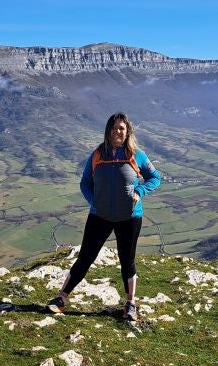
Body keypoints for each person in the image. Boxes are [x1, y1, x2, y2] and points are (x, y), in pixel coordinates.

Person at [46, 112, 161, 321]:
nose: (117, 131)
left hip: (130, 217)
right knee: (85, 258)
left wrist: (140, 192)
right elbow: (84, 183)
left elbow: (155, 177)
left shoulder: (137, 155)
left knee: (127, 260)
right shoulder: (98, 154)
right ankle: (61, 298)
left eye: (122, 128)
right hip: (100, 216)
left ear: (128, 132)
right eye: (114, 127)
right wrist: (94, 201)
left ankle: (130, 303)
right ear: (108, 130)